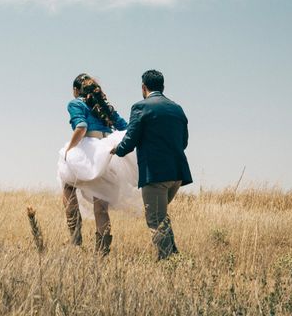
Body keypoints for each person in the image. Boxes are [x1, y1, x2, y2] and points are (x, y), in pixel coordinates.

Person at [111, 70, 192, 260]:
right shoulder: (177, 108)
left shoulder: (140, 107)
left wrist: (118, 149)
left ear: (143, 87)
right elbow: (184, 141)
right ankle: (174, 257)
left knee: (155, 219)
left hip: (155, 175)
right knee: (161, 216)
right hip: (177, 174)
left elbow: (130, 140)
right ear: (162, 87)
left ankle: (166, 262)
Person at [57, 73, 140, 255]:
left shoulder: (75, 103)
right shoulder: (104, 106)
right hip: (106, 155)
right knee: (101, 207)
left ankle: (75, 241)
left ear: (75, 90)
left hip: (85, 152)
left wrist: (70, 149)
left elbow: (81, 127)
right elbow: (126, 128)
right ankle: (102, 251)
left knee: (68, 188)